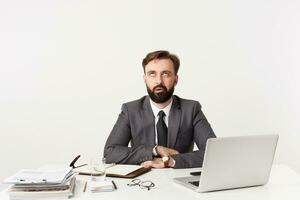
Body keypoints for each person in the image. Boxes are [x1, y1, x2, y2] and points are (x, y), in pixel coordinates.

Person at [104, 50, 216, 169]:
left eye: (166, 74)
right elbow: (110, 153)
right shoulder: (130, 110)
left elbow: (214, 153)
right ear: (145, 79)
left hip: (179, 180)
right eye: (152, 74)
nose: (159, 81)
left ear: (176, 79)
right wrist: (155, 150)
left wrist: (170, 161)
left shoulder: (191, 109)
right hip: (142, 182)